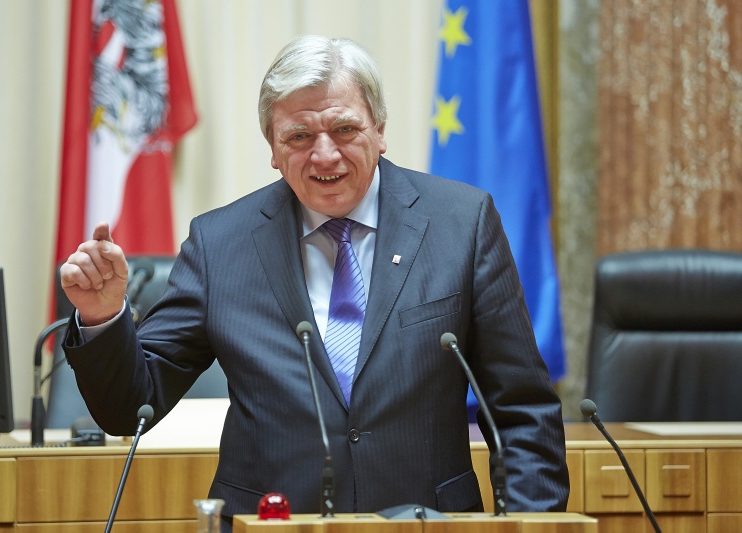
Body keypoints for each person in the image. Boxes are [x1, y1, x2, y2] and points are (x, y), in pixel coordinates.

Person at [60, 35, 569, 530]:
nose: (325, 155)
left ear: (380, 129)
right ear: (273, 148)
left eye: (345, 129)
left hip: (425, 522)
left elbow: (522, 410)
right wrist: (104, 317)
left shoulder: (461, 223)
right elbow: (132, 407)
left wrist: (531, 525)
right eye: (299, 136)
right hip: (272, 523)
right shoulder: (220, 244)